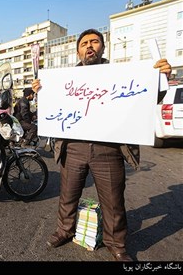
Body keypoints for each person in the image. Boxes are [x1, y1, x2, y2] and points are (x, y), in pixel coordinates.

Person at [32, 28, 172, 262]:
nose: (89, 46)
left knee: (113, 200)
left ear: (103, 47)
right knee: (68, 195)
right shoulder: (62, 80)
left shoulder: (121, 74)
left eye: (94, 42)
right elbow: (49, 108)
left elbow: (142, 99)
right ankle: (64, 230)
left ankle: (116, 244)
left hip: (108, 149)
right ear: (78, 51)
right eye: (84, 43)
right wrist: (41, 92)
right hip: (73, 147)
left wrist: (160, 79)